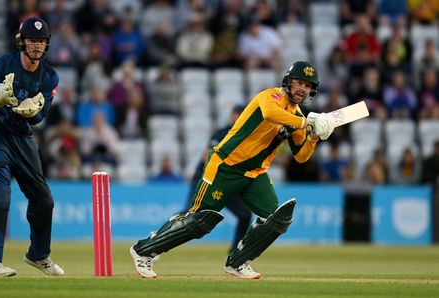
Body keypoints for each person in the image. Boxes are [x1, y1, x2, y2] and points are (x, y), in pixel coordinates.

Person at [129, 61, 335, 279]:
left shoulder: (299, 118)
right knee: (198, 221)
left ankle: (238, 262)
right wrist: (305, 124)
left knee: (277, 219)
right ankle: (143, 250)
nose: (302, 88)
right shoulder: (271, 97)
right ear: (288, 82)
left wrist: (313, 136)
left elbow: (301, 157)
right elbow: (269, 114)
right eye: (298, 82)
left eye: (307, 85)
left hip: (255, 174)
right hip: (225, 166)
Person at [0, 17, 64, 277]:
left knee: (43, 200)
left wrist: (32, 113)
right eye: (32, 40)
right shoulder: (4, 64)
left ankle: (38, 255)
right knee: (1, 196)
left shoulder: (50, 76)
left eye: (41, 41)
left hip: (22, 137)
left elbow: (40, 115)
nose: (37, 46)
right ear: (22, 41)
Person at [184, 104, 252, 252]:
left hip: (225, 183)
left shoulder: (246, 136)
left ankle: (236, 250)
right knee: (189, 211)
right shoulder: (222, 133)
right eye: (237, 114)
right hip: (205, 179)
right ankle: (158, 239)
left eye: (243, 114)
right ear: (232, 115)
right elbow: (207, 156)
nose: (239, 117)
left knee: (245, 214)